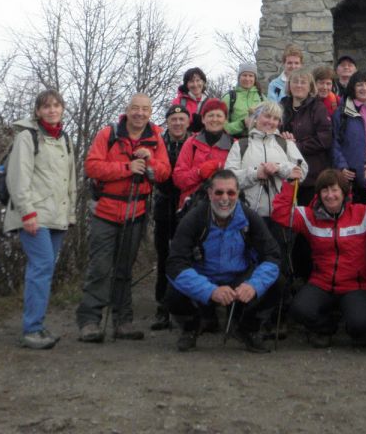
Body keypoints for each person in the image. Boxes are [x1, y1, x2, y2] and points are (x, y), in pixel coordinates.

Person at [77, 94, 171, 342]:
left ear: (151, 113)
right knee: (99, 268)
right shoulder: (108, 134)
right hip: (106, 211)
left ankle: (123, 322)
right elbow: (92, 166)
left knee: (124, 270)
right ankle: (89, 321)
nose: (140, 113)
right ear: (127, 110)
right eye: (135, 108)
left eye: (145, 109)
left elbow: (164, 172)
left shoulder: (155, 138)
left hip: (136, 213)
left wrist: (149, 162)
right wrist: (126, 168)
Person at [165, 169, 280, 353]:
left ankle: (247, 328)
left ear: (238, 194)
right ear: (210, 193)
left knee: (276, 283)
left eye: (231, 193)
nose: (224, 198)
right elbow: (174, 264)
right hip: (204, 279)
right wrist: (209, 290)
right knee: (173, 292)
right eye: (219, 192)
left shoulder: (250, 218)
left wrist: (253, 285)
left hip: (238, 279)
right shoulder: (194, 218)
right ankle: (191, 327)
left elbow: (273, 256)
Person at [271, 167, 366, 348]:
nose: (330, 195)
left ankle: (355, 331)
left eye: (335, 190)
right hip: (321, 282)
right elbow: (280, 214)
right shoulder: (309, 215)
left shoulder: (362, 213)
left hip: (354, 285)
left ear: (344, 193)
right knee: (300, 310)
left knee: (362, 322)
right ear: (319, 194)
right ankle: (325, 328)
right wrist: (289, 185)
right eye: (325, 190)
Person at [3, 89, 76, 349]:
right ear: (37, 111)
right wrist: (27, 213)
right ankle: (31, 329)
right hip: (34, 216)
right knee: (42, 267)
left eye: (56, 105)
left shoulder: (64, 139)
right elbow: (18, 177)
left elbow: (70, 180)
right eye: (46, 106)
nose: (52, 110)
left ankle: (37, 325)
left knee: (44, 270)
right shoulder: (27, 137)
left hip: (57, 217)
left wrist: (70, 214)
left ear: (62, 109)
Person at [225, 101, 308, 218]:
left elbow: (302, 171)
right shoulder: (240, 145)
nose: (271, 121)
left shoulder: (286, 143)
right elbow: (228, 179)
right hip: (247, 216)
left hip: (282, 215)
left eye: (275, 119)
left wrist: (279, 168)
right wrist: (255, 173)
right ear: (255, 118)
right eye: (267, 116)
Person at [151, 103, 191, 330]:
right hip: (164, 204)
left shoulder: (194, 143)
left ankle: (186, 304)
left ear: (187, 122)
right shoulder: (159, 143)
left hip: (187, 205)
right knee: (164, 256)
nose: (177, 123)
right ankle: (162, 307)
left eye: (182, 119)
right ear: (168, 122)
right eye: (173, 120)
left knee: (186, 255)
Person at [280, 70, 333, 203]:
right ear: (289, 86)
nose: (299, 85)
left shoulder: (318, 107)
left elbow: (325, 138)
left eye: (303, 82)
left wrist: (296, 146)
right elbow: (272, 130)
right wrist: (282, 140)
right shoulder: (282, 105)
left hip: (311, 174)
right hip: (284, 172)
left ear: (310, 87)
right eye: (295, 82)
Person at [332, 70, 366, 202]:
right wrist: (342, 166)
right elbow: (334, 142)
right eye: (360, 85)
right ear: (353, 87)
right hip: (351, 175)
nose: (364, 88)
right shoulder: (342, 112)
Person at [172, 98, 233, 210]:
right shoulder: (191, 143)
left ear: (225, 120)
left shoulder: (234, 145)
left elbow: (239, 177)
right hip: (192, 206)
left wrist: (219, 166)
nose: (214, 119)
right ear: (203, 119)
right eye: (210, 115)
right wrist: (199, 172)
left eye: (219, 116)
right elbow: (178, 179)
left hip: (223, 207)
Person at [223, 62, 265, 138]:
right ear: (239, 77)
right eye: (244, 75)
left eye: (251, 76)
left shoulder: (262, 98)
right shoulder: (229, 98)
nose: (247, 79)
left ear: (255, 79)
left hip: (258, 141)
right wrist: (242, 123)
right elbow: (222, 126)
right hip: (234, 141)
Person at [172, 67, 209, 132]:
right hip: (184, 139)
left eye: (198, 80)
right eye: (191, 81)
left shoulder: (210, 102)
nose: (195, 84)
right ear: (186, 84)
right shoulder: (179, 102)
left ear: (203, 82)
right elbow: (174, 123)